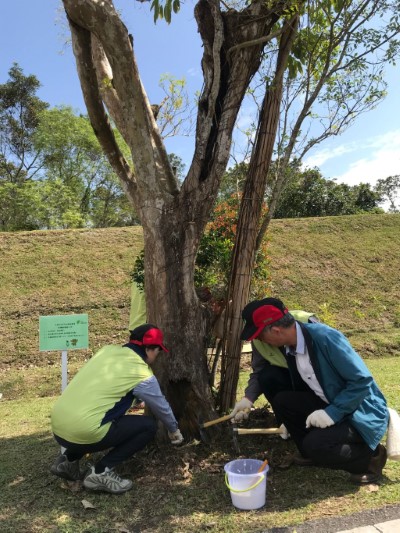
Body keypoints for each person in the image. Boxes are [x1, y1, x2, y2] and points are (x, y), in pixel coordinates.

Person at [239, 297, 389, 484]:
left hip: (359, 410)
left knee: (316, 445)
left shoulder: (326, 338)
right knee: (283, 401)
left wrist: (332, 413)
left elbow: (362, 381)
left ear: (276, 330)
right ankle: (310, 453)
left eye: (261, 336)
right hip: (330, 401)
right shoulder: (291, 346)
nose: (262, 342)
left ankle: (371, 457)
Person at [50, 324, 183, 494]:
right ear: (151, 349)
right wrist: (174, 430)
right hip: (85, 431)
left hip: (59, 426)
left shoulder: (107, 351)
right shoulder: (141, 372)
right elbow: (161, 406)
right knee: (148, 426)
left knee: (92, 418)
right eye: (158, 351)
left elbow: (125, 402)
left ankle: (66, 461)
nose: (157, 356)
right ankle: (101, 472)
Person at [231, 301, 319, 427]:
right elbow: (259, 371)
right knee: (267, 376)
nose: (258, 339)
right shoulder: (258, 340)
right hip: (290, 379)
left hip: (315, 381)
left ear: (275, 329)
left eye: (259, 334)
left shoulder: (307, 323)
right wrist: (248, 399)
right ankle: (287, 423)